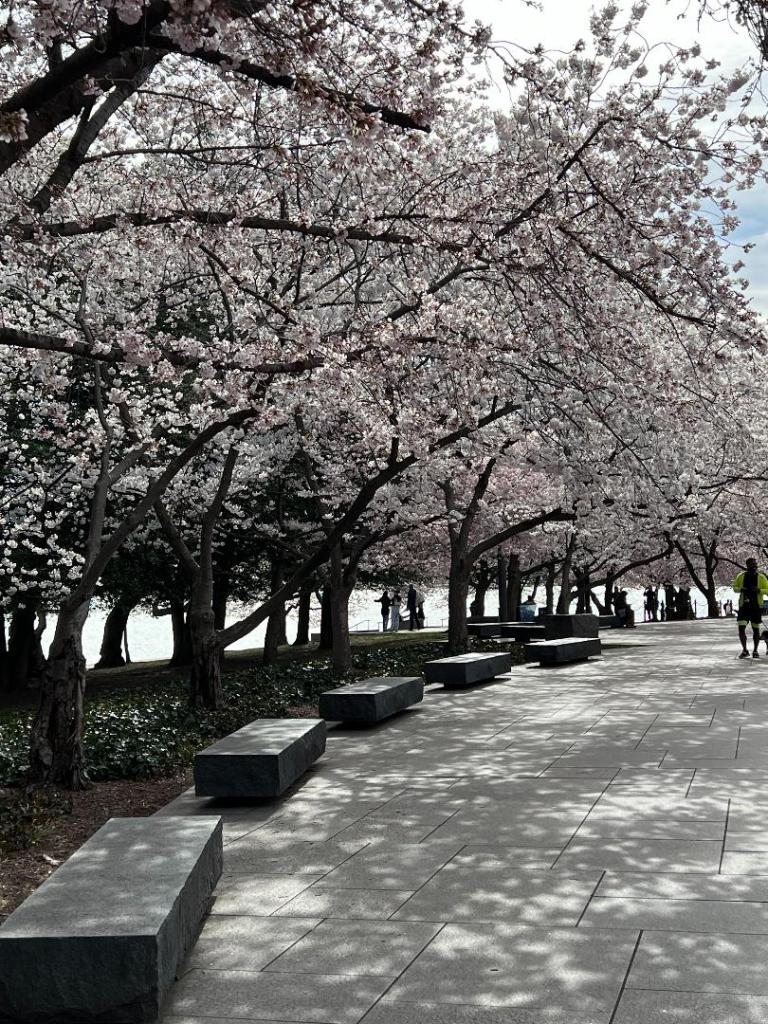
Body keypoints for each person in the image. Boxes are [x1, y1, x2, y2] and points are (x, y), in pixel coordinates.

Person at [733, 558, 768, 659]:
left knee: (756, 629)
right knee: (741, 628)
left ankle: (755, 651)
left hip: (756, 606)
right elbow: (735, 588)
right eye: (752, 564)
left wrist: (759, 590)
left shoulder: (761, 577)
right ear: (747, 565)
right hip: (744, 606)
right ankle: (745, 650)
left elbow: (767, 589)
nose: (754, 565)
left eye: (755, 564)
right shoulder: (741, 576)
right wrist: (741, 589)